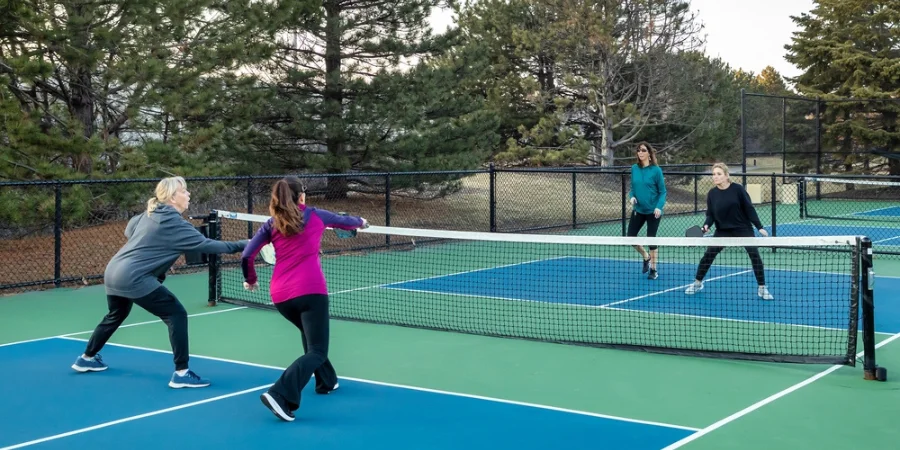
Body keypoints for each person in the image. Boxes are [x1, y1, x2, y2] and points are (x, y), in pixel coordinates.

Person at [72, 176, 249, 387]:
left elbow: (130, 230)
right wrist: (243, 244)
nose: (189, 194)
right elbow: (207, 245)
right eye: (184, 191)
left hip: (113, 271)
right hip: (134, 277)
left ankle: (87, 358)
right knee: (176, 314)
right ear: (173, 197)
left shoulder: (150, 212)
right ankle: (182, 373)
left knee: (116, 314)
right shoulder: (174, 223)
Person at [241, 176, 368, 422]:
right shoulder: (316, 214)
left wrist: (251, 279)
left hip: (281, 297)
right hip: (311, 292)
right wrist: (361, 222)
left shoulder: (271, 223)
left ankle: (326, 382)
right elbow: (346, 222)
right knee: (318, 350)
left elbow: (247, 255)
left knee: (311, 339)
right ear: (302, 196)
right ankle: (280, 394)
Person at [685, 163, 773, 300]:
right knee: (709, 255)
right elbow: (710, 214)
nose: (715, 177)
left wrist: (759, 226)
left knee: (754, 255)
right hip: (723, 230)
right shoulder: (712, 194)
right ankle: (697, 283)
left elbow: (749, 208)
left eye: (719, 174)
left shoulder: (738, 190)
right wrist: (706, 225)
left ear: (726, 176)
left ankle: (762, 288)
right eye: (714, 174)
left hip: (743, 228)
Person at [627, 141, 667, 280]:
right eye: (638, 150)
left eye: (643, 150)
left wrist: (658, 207)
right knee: (630, 238)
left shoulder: (656, 170)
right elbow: (632, 189)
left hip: (653, 211)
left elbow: (662, 192)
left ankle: (654, 270)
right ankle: (646, 256)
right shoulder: (634, 168)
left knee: (651, 240)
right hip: (638, 210)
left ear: (649, 153)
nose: (640, 152)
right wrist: (631, 197)